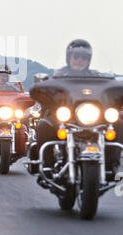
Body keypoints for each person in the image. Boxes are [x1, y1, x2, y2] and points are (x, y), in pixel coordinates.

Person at [29, 39, 122, 175]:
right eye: (76, 56)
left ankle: (111, 163)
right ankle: (47, 166)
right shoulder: (58, 76)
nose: (80, 60)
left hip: (93, 117)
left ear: (88, 60)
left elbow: (109, 88)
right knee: (43, 125)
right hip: (65, 117)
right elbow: (46, 89)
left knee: (118, 123)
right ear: (69, 58)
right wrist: (42, 89)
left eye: (84, 57)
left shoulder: (97, 77)